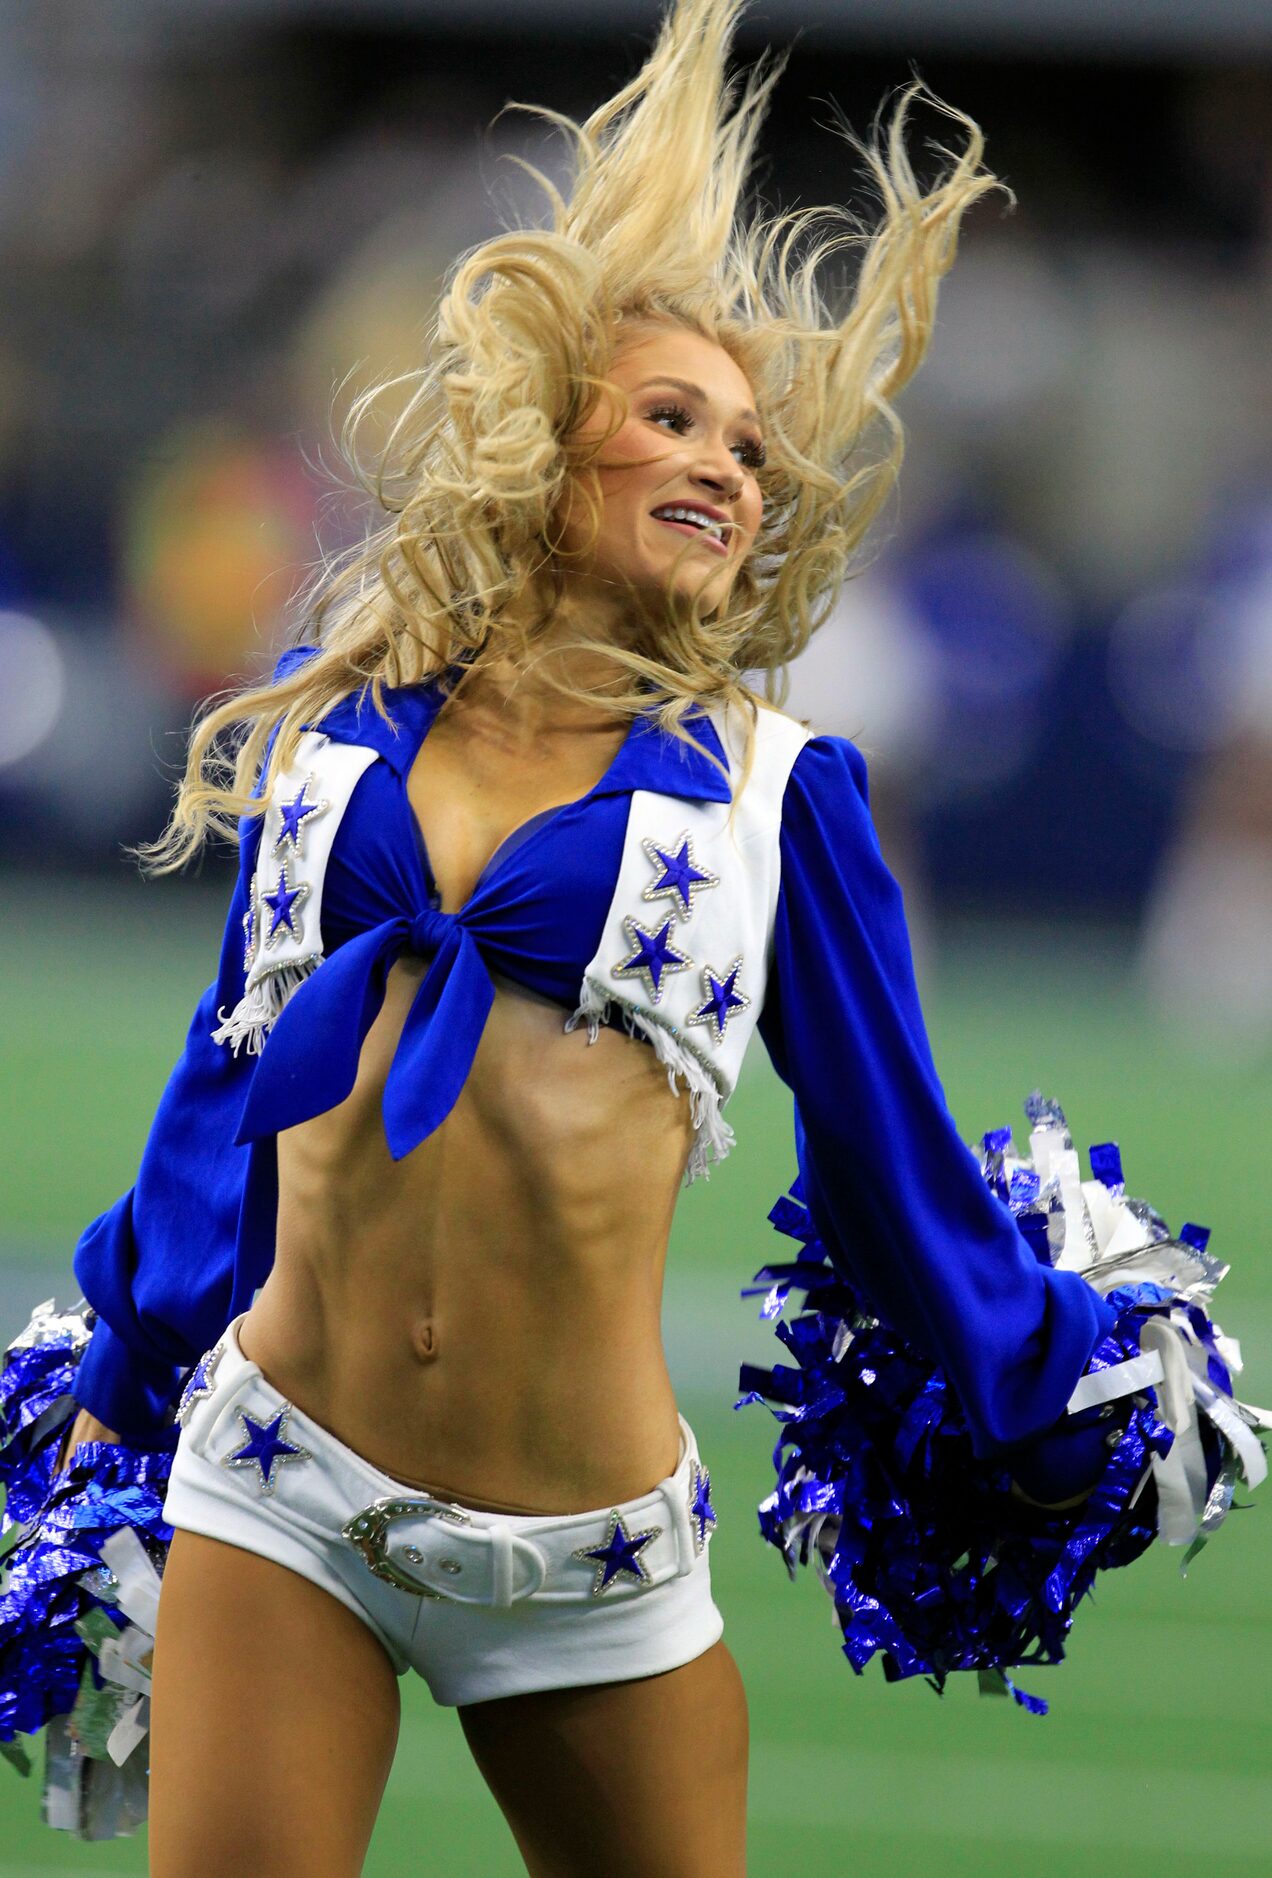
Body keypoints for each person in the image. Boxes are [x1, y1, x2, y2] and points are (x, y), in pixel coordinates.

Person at [29, 1, 1135, 1870]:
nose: (729, 468)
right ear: (556, 447)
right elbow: (227, 1088)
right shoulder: (334, 723)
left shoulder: (781, 798)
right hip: (277, 1488)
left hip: (590, 1564)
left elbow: (888, 1167)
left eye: (756, 451)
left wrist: (1055, 1393)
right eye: (674, 420)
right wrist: (123, 1372)